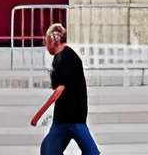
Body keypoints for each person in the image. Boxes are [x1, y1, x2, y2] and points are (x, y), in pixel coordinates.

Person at [29, 21, 99, 155]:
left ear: (54, 41)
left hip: (74, 117)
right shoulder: (58, 58)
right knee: (48, 150)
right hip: (61, 119)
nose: (46, 45)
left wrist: (38, 115)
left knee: (91, 152)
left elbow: (59, 90)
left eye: (47, 41)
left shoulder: (68, 58)